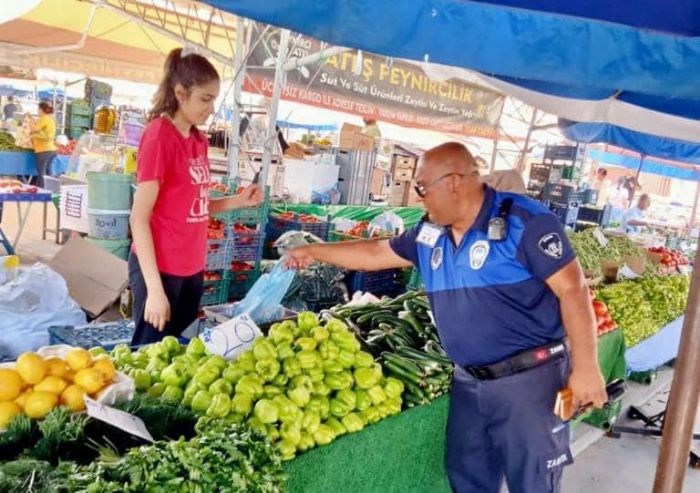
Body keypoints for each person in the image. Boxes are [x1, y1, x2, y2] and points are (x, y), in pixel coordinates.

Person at [286, 142, 607, 493]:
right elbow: (377, 252)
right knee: (468, 480)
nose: (420, 197)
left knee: (533, 484)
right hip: (469, 383)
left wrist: (587, 368)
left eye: (423, 188)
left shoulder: (524, 221)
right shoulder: (429, 233)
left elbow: (574, 290)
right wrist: (314, 250)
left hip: (529, 383)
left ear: (454, 182)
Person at [129, 48, 264, 346]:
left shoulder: (198, 140)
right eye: (205, 99)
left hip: (192, 269)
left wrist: (239, 200)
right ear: (180, 92)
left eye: (214, 99)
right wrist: (154, 289)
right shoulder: (159, 136)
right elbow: (139, 218)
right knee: (147, 357)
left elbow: (197, 207)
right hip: (160, 270)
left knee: (180, 354)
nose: (211, 108)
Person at [29, 101, 57, 188]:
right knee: (49, 172)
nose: (37, 111)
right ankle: (53, 190)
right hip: (52, 150)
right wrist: (32, 119)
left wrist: (28, 121)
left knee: (41, 173)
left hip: (43, 150)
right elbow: (41, 131)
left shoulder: (44, 119)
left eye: (38, 109)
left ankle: (41, 192)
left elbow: (35, 129)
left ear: (41, 110)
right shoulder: (49, 119)